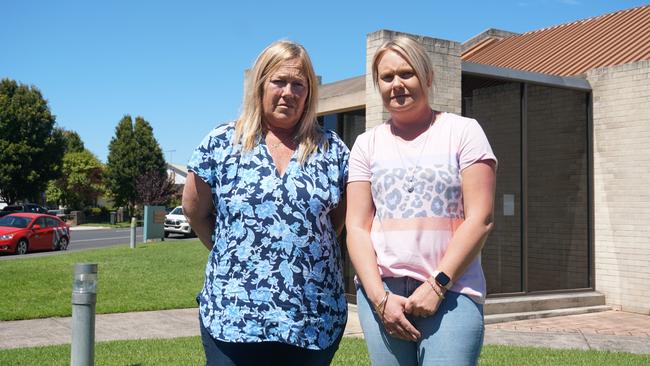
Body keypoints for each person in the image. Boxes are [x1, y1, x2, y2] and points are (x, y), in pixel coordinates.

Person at [182, 40, 349, 366]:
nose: (288, 92)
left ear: (309, 93)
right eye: (279, 81)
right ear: (260, 85)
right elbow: (194, 209)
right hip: (234, 315)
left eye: (298, 84)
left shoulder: (332, 150)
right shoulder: (220, 143)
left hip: (311, 319)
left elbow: (336, 223)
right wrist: (231, 250)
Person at [346, 36, 497, 366]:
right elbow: (356, 227)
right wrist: (378, 298)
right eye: (387, 77)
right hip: (383, 292)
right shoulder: (366, 145)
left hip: (452, 290)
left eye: (407, 73)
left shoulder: (463, 132)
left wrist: (438, 285)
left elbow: (481, 218)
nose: (397, 84)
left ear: (427, 77)